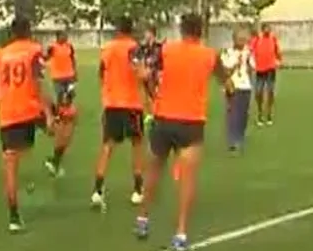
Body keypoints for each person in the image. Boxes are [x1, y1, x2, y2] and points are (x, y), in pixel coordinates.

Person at [134, 13, 230, 251]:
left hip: (163, 119)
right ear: (201, 30)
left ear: (182, 30)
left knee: (153, 171)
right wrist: (230, 90)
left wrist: (151, 89)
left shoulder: (166, 51)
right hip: (191, 123)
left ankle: (143, 219)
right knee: (187, 180)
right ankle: (181, 232)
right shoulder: (210, 55)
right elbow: (226, 82)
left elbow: (145, 74)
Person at [0, 16, 55, 233]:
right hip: (31, 109)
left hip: (8, 113)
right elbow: (38, 81)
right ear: (28, 30)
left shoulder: (1, 54)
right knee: (68, 120)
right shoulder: (34, 50)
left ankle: (14, 216)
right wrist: (49, 114)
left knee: (10, 163)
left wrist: (2, 100)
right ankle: (54, 160)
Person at [89, 16, 147, 209]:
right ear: (131, 30)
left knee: (107, 146)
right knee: (137, 144)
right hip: (131, 104)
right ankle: (138, 190)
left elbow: (101, 73)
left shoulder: (107, 48)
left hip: (112, 103)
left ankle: (97, 190)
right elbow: (140, 73)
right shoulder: (134, 48)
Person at [43, 30, 77, 177]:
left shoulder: (69, 46)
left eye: (66, 35)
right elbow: (45, 58)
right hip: (57, 77)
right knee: (60, 99)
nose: (66, 37)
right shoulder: (53, 47)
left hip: (69, 76)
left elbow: (73, 59)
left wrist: (75, 72)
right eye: (63, 35)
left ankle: (64, 117)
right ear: (58, 37)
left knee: (69, 99)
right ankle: (58, 119)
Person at [222, 28, 255, 151]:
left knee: (243, 114)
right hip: (233, 86)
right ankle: (232, 140)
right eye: (240, 39)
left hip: (245, 85)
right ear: (234, 40)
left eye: (244, 39)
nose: (242, 42)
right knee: (233, 113)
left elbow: (252, 68)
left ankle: (240, 136)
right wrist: (236, 63)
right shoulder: (227, 53)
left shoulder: (248, 52)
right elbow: (225, 70)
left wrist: (248, 63)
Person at [250, 23, 281, 126]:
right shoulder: (257, 39)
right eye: (266, 29)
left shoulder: (273, 39)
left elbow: (277, 51)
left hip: (271, 69)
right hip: (260, 70)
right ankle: (260, 112)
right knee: (258, 92)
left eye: (269, 29)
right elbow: (250, 51)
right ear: (262, 30)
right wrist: (252, 62)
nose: (268, 31)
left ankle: (269, 113)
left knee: (270, 91)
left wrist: (279, 60)